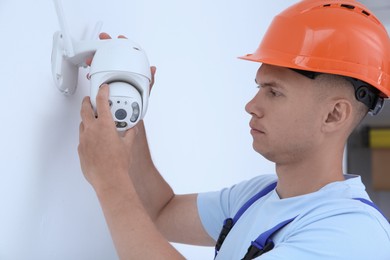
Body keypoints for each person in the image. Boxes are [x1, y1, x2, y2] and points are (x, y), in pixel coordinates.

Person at [77, 0, 390, 259]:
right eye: (259, 87)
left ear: (334, 115)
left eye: (274, 91)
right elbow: (159, 211)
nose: (251, 105)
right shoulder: (256, 196)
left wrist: (110, 180)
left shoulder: (352, 234)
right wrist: (129, 101)